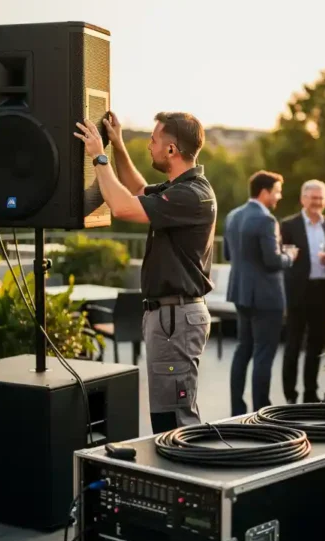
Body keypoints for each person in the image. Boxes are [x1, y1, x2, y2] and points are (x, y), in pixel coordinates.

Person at [75, 111, 216, 433]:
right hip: (171, 317)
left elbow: (123, 206)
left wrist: (99, 156)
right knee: (168, 415)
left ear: (172, 149)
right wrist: (117, 145)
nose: (149, 146)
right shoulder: (181, 188)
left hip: (175, 318)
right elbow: (137, 191)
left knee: (175, 420)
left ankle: (182, 467)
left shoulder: (190, 195)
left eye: (153, 140)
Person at [223, 171, 298, 416]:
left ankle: (237, 409)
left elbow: (227, 254)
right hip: (266, 297)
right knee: (264, 353)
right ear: (264, 192)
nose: (279, 196)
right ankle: (261, 410)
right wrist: (290, 256)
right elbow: (272, 261)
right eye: (277, 191)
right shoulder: (266, 220)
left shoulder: (232, 216)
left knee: (243, 349)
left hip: (240, 293)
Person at [279, 180, 325, 404]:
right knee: (293, 344)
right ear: (303, 199)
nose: (317, 202)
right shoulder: (289, 225)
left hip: (322, 291)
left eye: (321, 198)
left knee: (316, 345)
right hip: (298, 291)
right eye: (313, 198)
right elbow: (282, 257)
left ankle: (310, 392)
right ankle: (290, 394)